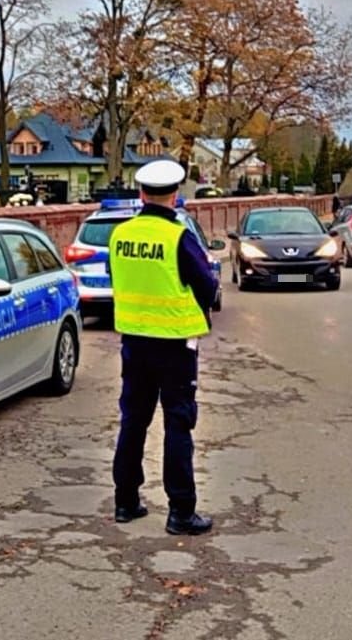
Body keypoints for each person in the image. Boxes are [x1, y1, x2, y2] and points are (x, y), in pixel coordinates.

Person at [109, 159, 219, 536]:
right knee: (178, 423)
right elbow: (207, 286)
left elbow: (116, 276)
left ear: (141, 194)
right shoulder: (178, 237)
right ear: (175, 195)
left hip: (134, 342)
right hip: (174, 344)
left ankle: (125, 501)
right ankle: (181, 512)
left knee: (133, 420)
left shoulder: (120, 234)